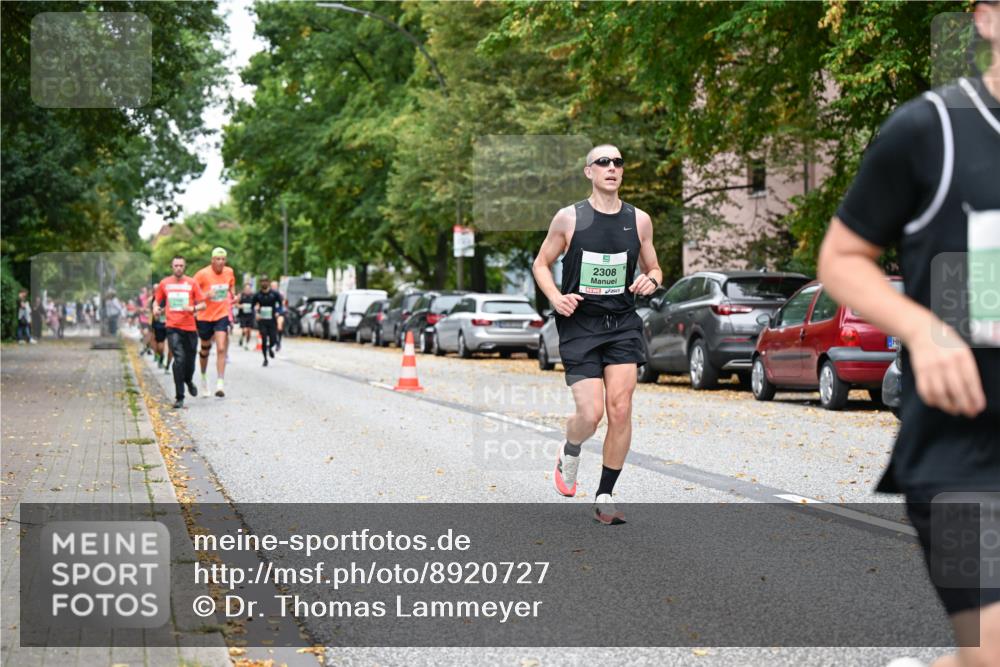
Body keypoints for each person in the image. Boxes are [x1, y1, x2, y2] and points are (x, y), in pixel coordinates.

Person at [818, 3, 999, 665]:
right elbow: (840, 258)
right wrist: (925, 329)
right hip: (962, 449)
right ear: (984, 19)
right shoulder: (931, 131)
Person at [531, 144, 662, 525]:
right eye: (603, 162)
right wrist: (556, 298)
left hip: (621, 323)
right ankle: (570, 449)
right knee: (591, 414)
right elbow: (541, 264)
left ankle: (605, 493)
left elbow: (654, 267)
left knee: (620, 408)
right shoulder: (569, 218)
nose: (611, 167)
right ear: (589, 171)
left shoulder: (639, 220)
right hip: (580, 325)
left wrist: (650, 281)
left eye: (618, 162)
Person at [154, 255, 206, 409]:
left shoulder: (192, 283)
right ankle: (179, 397)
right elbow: (157, 301)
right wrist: (156, 309)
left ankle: (188, 380)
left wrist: (193, 308)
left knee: (189, 363)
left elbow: (203, 304)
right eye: (175, 265)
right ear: (172, 267)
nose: (178, 268)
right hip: (173, 327)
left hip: (190, 328)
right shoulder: (164, 283)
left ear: (185, 267)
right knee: (178, 359)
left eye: (181, 265)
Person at [193, 247, 236, 397]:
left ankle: (220, 383)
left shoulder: (229, 272)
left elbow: (231, 287)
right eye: (218, 259)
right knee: (205, 349)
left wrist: (234, 296)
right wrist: (206, 295)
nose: (220, 262)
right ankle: (204, 378)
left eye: (223, 259)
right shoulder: (202, 274)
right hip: (204, 316)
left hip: (221, 314)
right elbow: (192, 295)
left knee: (221, 347)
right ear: (212, 260)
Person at [252, 276, 281, 367]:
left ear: (268, 282)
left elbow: (280, 305)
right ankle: (265, 359)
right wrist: (256, 313)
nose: (264, 283)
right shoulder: (257, 295)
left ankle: (270, 348)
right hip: (262, 320)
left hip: (272, 319)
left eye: (265, 281)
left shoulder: (274, 294)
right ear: (260, 283)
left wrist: (277, 312)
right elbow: (252, 306)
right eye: (262, 281)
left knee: (274, 339)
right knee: (264, 339)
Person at [237, 283, 255, 349]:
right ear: (244, 289)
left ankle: (247, 344)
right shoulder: (241, 295)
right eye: (246, 289)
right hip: (243, 315)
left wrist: (256, 307)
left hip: (251, 315)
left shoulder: (253, 296)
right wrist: (240, 306)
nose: (247, 290)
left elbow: (258, 304)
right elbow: (236, 304)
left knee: (249, 331)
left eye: (249, 289)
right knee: (244, 330)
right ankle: (242, 337)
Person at [270, 279, 286, 352]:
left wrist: (278, 312)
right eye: (272, 286)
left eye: (275, 286)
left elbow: (282, 303)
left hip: (279, 312)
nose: (274, 287)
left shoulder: (280, 294)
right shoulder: (269, 294)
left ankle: (279, 342)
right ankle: (275, 342)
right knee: (272, 329)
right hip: (271, 313)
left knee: (279, 327)